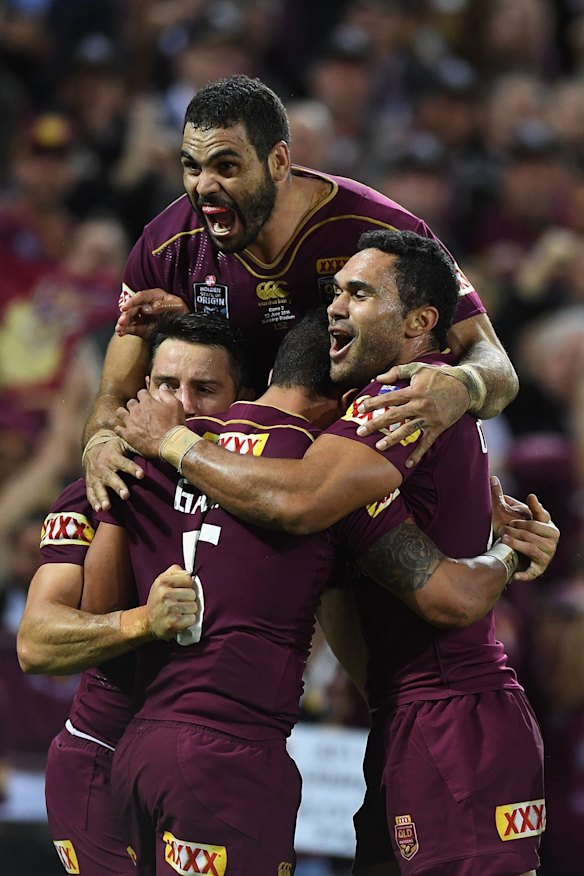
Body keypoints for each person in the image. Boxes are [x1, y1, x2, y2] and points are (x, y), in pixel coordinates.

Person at [117, 231, 557, 875]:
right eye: (334, 293)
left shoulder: (403, 398)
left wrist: (174, 443)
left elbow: (304, 502)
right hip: (411, 716)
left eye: (359, 293)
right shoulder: (395, 415)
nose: (336, 308)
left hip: (454, 720)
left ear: (419, 323)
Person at [82, 73, 519, 513]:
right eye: (192, 168)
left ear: (278, 161)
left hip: (353, 469)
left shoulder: (381, 230)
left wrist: (463, 385)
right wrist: (98, 443)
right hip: (226, 471)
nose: (204, 186)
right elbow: (113, 395)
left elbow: (497, 367)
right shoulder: (165, 247)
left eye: (226, 167)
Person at [16, 312, 251, 876]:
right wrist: (144, 621)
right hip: (102, 753)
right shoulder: (99, 488)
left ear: (243, 399)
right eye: (166, 385)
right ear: (143, 390)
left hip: (217, 761)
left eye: (204, 389)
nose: (179, 406)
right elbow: (36, 643)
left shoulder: (264, 494)